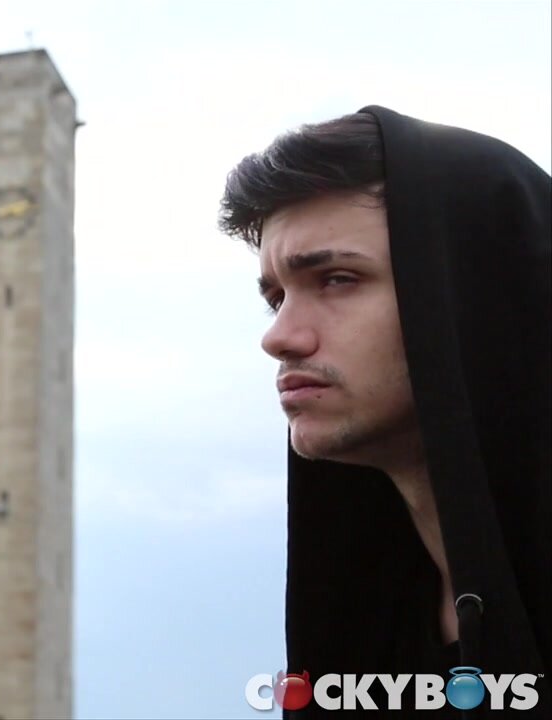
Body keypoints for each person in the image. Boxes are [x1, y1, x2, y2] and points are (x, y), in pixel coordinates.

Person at [218, 106, 550, 717]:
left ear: (478, 292)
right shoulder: (361, 638)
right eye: (276, 297)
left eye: (337, 279)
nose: (279, 337)